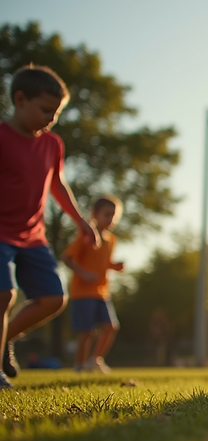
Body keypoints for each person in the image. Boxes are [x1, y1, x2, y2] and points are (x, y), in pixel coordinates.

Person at [1, 65, 99, 390]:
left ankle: (5, 340)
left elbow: (57, 185)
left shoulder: (52, 144)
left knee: (54, 298)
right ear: (19, 99)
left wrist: (82, 222)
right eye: (45, 110)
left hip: (32, 237)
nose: (51, 119)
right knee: (4, 294)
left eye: (56, 113)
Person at [62, 195, 124, 373]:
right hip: (82, 292)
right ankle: (79, 366)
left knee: (111, 326)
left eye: (114, 215)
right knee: (86, 331)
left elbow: (104, 263)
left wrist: (114, 266)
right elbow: (66, 258)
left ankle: (94, 360)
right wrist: (83, 273)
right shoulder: (86, 236)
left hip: (102, 292)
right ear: (95, 214)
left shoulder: (112, 240)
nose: (110, 219)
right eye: (107, 214)